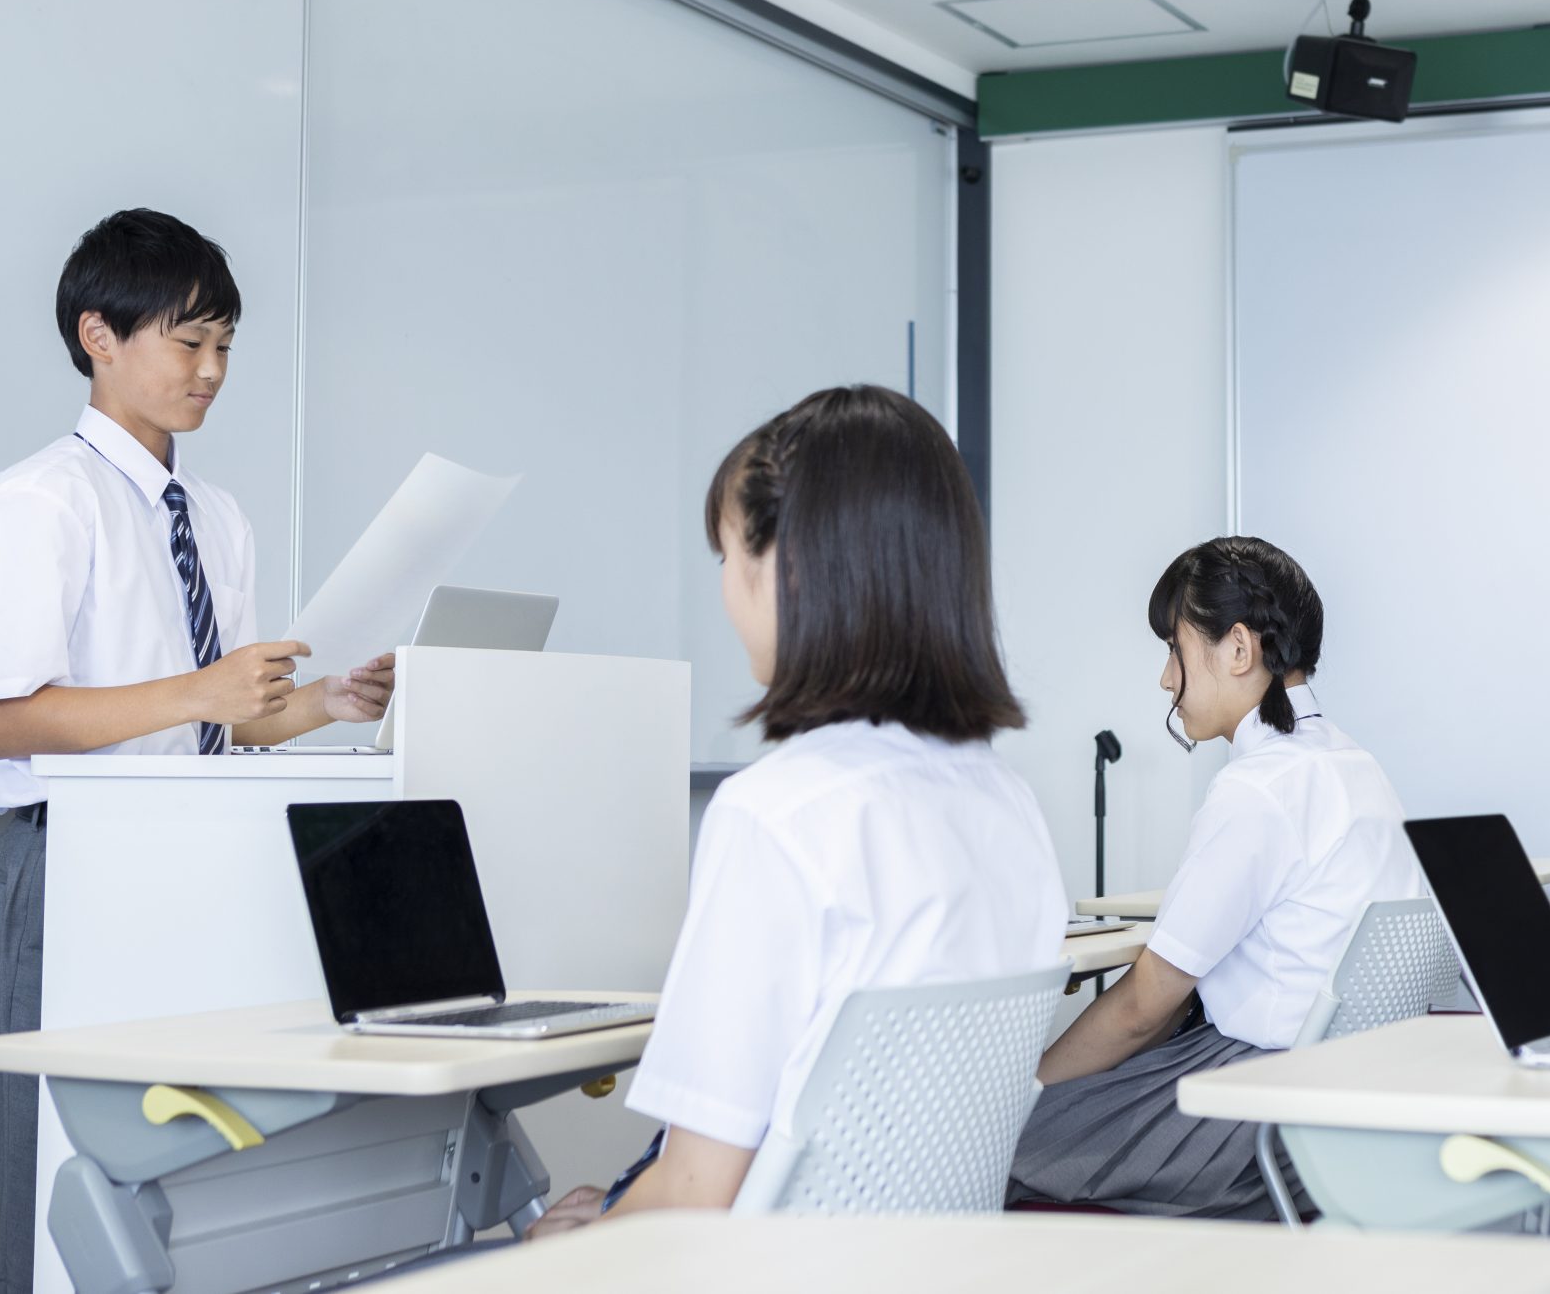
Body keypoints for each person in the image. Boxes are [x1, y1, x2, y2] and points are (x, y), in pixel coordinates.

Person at [0, 209, 393, 1294]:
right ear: (99, 337)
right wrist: (202, 688)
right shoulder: (42, 500)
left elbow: (215, 721)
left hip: (195, 862)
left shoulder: (217, 516)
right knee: (53, 1179)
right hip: (71, 863)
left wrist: (324, 702)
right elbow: (4, 719)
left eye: (226, 345)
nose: (213, 372)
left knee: (182, 1178)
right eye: (189, 342)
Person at [528, 385, 1065, 1229]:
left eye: (727, 555)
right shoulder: (1009, 803)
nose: (724, 588)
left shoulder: (776, 813)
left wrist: (582, 1238)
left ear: (794, 568)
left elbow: (695, 1194)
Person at [1006, 536, 1418, 1220]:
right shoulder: (1355, 764)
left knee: (999, 1147)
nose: (1166, 679)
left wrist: (1018, 1093)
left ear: (1238, 648)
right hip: (1351, 1090)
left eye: (1175, 649)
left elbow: (1144, 1009)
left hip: (1263, 1100)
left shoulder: (1259, 787)